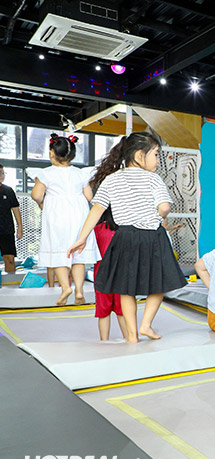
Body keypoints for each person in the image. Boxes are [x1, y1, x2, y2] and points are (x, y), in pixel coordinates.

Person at [68, 132, 186, 343]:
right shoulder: (153, 179)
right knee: (159, 284)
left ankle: (132, 335)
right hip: (151, 237)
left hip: (124, 238)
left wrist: (81, 238)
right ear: (140, 155)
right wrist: (160, 214)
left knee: (125, 288)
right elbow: (164, 207)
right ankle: (146, 324)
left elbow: (96, 210)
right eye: (156, 155)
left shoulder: (112, 179)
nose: (158, 161)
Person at [31, 134, 100, 305]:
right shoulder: (81, 174)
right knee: (77, 254)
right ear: (73, 156)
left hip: (56, 215)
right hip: (79, 215)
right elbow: (89, 197)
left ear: (51, 153)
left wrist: (42, 203)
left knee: (58, 252)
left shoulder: (46, 173)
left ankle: (65, 288)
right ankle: (79, 290)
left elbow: (36, 195)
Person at [91, 207, 127, 341]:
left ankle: (104, 341)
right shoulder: (125, 230)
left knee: (103, 311)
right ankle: (129, 338)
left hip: (101, 274)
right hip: (121, 274)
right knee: (122, 310)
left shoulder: (97, 229)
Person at [0, 164, 22, 273]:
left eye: (3, 173)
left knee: (9, 259)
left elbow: (15, 209)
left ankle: (11, 283)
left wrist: (20, 227)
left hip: (6, 230)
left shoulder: (8, 190)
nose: (1, 175)